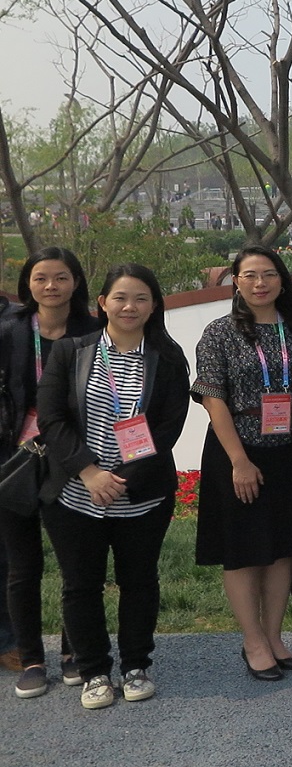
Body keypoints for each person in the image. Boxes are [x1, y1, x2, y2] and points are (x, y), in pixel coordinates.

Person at [38, 264, 189, 709]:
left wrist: (122, 478)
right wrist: (89, 472)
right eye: (120, 298)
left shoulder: (167, 357)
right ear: (102, 302)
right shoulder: (70, 352)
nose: (130, 307)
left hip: (140, 496)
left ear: (154, 305)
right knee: (80, 585)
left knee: (139, 582)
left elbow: (168, 427)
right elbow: (52, 419)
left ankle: (136, 666)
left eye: (141, 298)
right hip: (76, 495)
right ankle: (94, 672)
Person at [191, 247, 292, 682]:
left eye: (268, 274)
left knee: (283, 549)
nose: (260, 283)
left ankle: (274, 636)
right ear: (236, 282)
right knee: (243, 552)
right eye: (250, 275)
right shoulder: (220, 332)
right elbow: (213, 398)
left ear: (282, 280)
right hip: (239, 453)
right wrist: (239, 461)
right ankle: (253, 641)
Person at [0, 247, 99, 697]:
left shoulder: (93, 332)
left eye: (60, 277)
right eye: (40, 278)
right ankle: (31, 658)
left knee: (76, 565)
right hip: (15, 460)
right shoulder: (10, 330)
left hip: (74, 459)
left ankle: (74, 652)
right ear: (28, 284)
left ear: (75, 281)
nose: (50, 286)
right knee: (22, 567)